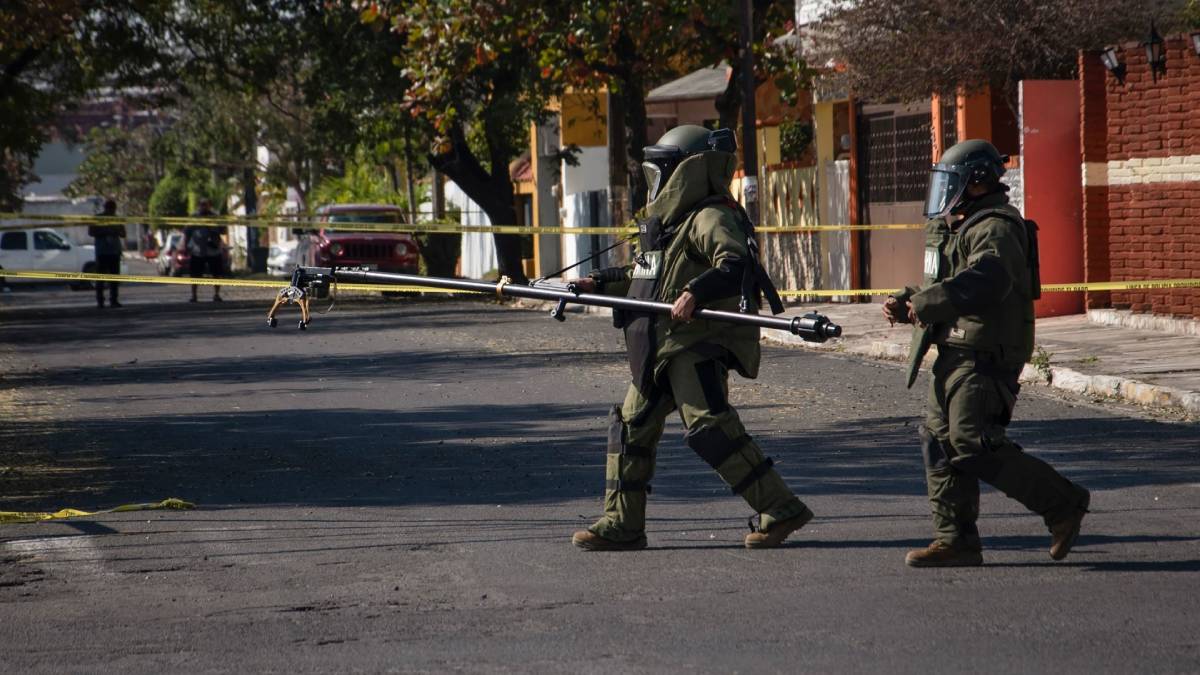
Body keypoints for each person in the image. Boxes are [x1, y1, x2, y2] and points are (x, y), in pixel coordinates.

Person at [569, 125, 813, 551]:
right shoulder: (672, 223)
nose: (655, 180)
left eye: (662, 170)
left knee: (710, 428)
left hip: (693, 347)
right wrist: (597, 283)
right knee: (630, 428)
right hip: (658, 349)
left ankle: (780, 507)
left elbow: (737, 264)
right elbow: (641, 276)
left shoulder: (710, 216)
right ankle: (622, 524)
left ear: (688, 170)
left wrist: (694, 292)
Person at [883, 139, 1090, 567]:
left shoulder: (996, 227)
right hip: (957, 349)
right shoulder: (965, 225)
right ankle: (955, 540)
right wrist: (911, 301)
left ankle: (1063, 503)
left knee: (972, 443)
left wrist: (925, 304)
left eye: (952, 182)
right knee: (939, 441)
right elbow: (952, 284)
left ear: (976, 183)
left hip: (984, 352)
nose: (945, 193)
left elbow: (985, 282)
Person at [183, 198, 227, 302]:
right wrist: (186, 247)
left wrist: (218, 226)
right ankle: (194, 295)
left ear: (209, 205)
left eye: (206, 204)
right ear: (199, 206)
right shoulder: (194, 217)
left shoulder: (216, 216)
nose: (204, 207)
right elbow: (187, 233)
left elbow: (223, 230)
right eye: (202, 204)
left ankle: (217, 294)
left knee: (217, 273)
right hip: (198, 250)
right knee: (195, 274)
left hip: (213, 250)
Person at [88, 198, 125, 308]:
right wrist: (104, 232)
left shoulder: (117, 219)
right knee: (101, 278)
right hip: (102, 252)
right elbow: (91, 232)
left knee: (114, 278)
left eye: (112, 210)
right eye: (110, 209)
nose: (111, 212)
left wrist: (115, 232)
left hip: (114, 252)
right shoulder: (97, 218)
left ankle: (113, 300)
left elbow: (123, 234)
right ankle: (100, 301)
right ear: (106, 208)